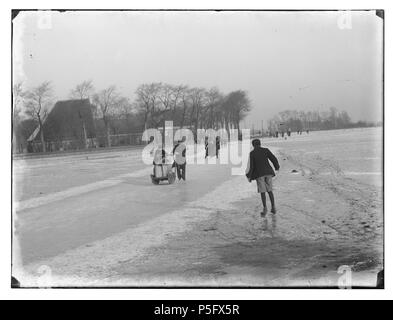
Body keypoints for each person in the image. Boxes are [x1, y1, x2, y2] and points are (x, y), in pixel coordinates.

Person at [246, 139, 280, 215]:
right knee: (270, 190)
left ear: (253, 145)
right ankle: (273, 207)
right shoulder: (266, 150)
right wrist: (276, 166)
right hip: (268, 173)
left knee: (262, 192)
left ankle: (265, 209)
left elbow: (251, 166)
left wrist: (249, 176)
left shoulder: (252, 153)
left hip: (259, 174)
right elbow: (273, 158)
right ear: (260, 144)